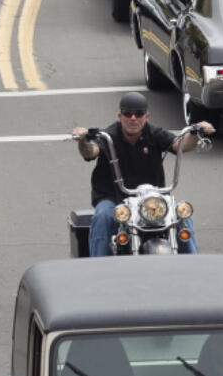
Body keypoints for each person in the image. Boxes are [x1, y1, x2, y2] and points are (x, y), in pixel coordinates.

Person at [70, 92, 214, 257]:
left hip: (150, 199)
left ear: (146, 116)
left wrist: (196, 133)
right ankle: (98, 268)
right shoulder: (109, 136)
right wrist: (83, 140)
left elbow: (179, 145)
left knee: (181, 214)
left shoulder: (153, 133)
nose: (133, 118)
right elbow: (90, 152)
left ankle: (194, 264)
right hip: (115, 198)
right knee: (103, 216)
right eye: (128, 114)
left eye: (138, 114)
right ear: (120, 116)